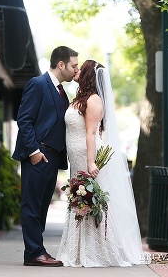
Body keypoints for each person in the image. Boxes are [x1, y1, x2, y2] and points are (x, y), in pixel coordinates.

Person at [56, 59, 144, 267]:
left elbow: (91, 133)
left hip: (87, 156)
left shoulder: (94, 100)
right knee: (80, 199)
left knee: (90, 198)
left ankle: (99, 251)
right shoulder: (81, 97)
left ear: (87, 74)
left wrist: (91, 162)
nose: (76, 70)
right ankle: (77, 250)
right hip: (76, 156)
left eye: (80, 68)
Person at [13, 46, 78, 267]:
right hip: (38, 156)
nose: (75, 70)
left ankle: (36, 250)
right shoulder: (38, 84)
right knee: (31, 206)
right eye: (73, 66)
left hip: (52, 158)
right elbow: (24, 120)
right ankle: (33, 253)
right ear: (61, 64)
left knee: (41, 208)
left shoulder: (62, 91)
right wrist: (34, 152)